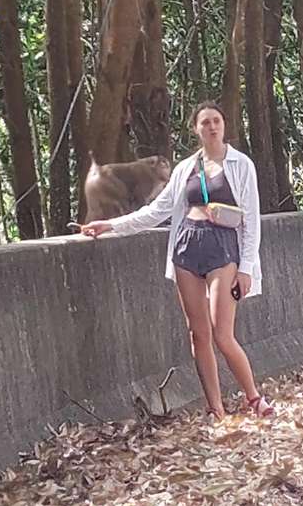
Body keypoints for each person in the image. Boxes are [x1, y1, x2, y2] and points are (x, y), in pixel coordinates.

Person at [79, 102, 273, 420]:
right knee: (198, 333)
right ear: (195, 129)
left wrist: (247, 267)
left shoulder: (241, 165)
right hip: (187, 248)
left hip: (224, 250)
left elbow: (251, 219)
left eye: (217, 121)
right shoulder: (186, 168)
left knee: (222, 331)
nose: (212, 127)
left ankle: (253, 397)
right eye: (205, 122)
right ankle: (215, 407)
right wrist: (111, 224)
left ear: (224, 126)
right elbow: (158, 211)